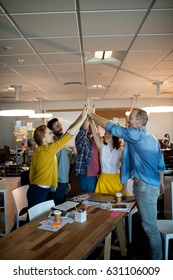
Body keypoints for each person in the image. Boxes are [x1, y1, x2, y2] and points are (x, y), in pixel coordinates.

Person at [87, 98, 165, 260]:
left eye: (131, 118)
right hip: (149, 185)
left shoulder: (136, 134)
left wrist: (92, 115)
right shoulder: (151, 136)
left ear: (140, 121)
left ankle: (158, 262)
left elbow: (112, 127)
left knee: (150, 228)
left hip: (145, 186)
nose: (128, 120)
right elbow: (160, 163)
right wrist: (162, 182)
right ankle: (151, 254)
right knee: (147, 225)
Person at [27, 106, 87, 209]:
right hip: (39, 192)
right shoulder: (48, 150)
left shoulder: (39, 151)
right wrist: (83, 117)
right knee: (34, 222)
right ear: (43, 139)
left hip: (37, 190)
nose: (52, 134)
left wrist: (82, 116)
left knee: (39, 220)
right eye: (49, 133)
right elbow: (69, 134)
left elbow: (31, 175)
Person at [89, 119, 124, 194]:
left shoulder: (120, 151)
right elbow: (95, 134)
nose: (105, 135)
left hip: (115, 181)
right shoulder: (102, 147)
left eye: (108, 133)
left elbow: (125, 167)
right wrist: (91, 120)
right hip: (103, 181)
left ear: (115, 135)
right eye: (105, 133)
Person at [46, 118, 71, 205]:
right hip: (57, 183)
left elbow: (63, 164)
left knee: (61, 205)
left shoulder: (61, 142)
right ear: (52, 131)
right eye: (57, 126)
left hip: (63, 182)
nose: (60, 127)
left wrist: (67, 181)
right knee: (57, 207)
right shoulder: (53, 145)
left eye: (60, 125)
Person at [75, 117, 100, 192]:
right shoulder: (81, 140)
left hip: (96, 176)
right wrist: (87, 114)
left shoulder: (95, 141)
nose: (89, 128)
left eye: (90, 127)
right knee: (88, 198)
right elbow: (83, 131)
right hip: (87, 176)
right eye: (87, 127)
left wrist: (92, 117)